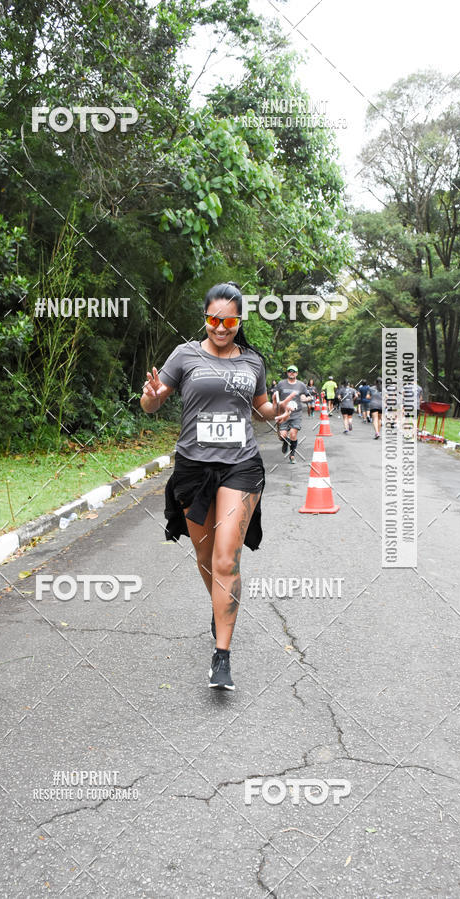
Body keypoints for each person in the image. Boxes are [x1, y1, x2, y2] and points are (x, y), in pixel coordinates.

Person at [141, 282, 297, 691]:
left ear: (239, 320)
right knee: (206, 555)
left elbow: (260, 407)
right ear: (205, 318)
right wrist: (153, 397)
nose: (221, 327)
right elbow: (155, 400)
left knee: (227, 558)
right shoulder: (185, 355)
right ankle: (220, 604)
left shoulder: (252, 361)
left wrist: (276, 412)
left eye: (229, 320)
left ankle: (221, 656)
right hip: (193, 468)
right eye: (214, 319)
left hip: (241, 467)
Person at [274, 365, 310, 464]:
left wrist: (305, 398)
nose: (291, 373)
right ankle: (285, 442)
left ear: (297, 373)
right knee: (282, 436)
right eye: (290, 371)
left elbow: (307, 396)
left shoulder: (301, 385)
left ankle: (292, 454)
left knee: (293, 434)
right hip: (284, 414)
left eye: (294, 371)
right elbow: (275, 396)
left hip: (296, 414)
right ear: (287, 373)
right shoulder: (281, 384)